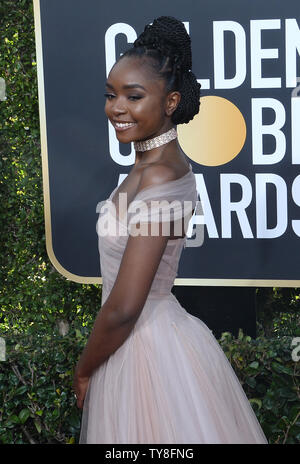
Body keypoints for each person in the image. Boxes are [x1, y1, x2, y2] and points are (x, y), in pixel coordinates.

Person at [73, 16, 268, 444]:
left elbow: (125, 307)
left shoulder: (162, 175)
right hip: (138, 344)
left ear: (170, 101)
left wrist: (85, 369)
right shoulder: (148, 165)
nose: (116, 108)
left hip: (146, 352)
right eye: (111, 95)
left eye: (133, 96)